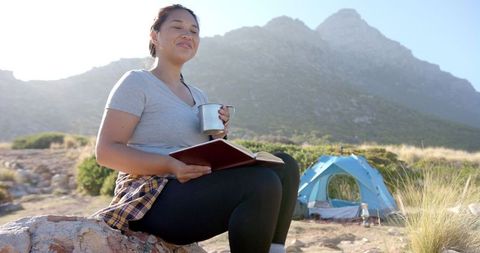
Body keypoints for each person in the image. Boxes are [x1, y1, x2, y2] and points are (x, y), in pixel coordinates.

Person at [92, 4, 300, 253]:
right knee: (260, 181)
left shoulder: (199, 95)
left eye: (194, 30)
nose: (187, 34)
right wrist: (170, 165)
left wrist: (219, 135)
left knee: (284, 165)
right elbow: (106, 152)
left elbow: (199, 150)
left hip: (191, 188)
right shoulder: (137, 82)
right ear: (155, 35)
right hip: (151, 195)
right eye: (177, 27)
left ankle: (275, 250)